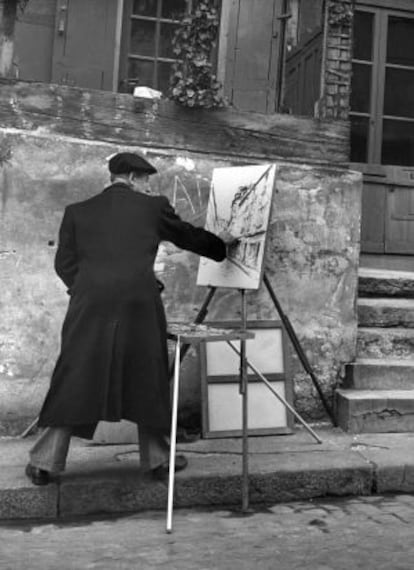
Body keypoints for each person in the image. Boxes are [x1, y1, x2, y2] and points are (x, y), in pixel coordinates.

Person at [25, 152, 229, 485]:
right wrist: (221, 247)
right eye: (145, 179)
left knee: (75, 374)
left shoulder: (78, 212)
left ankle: (44, 463)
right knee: (146, 375)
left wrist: (90, 289)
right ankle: (158, 461)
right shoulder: (152, 208)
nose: (148, 187)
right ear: (133, 178)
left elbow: (64, 264)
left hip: (88, 306)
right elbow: (187, 235)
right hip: (139, 304)